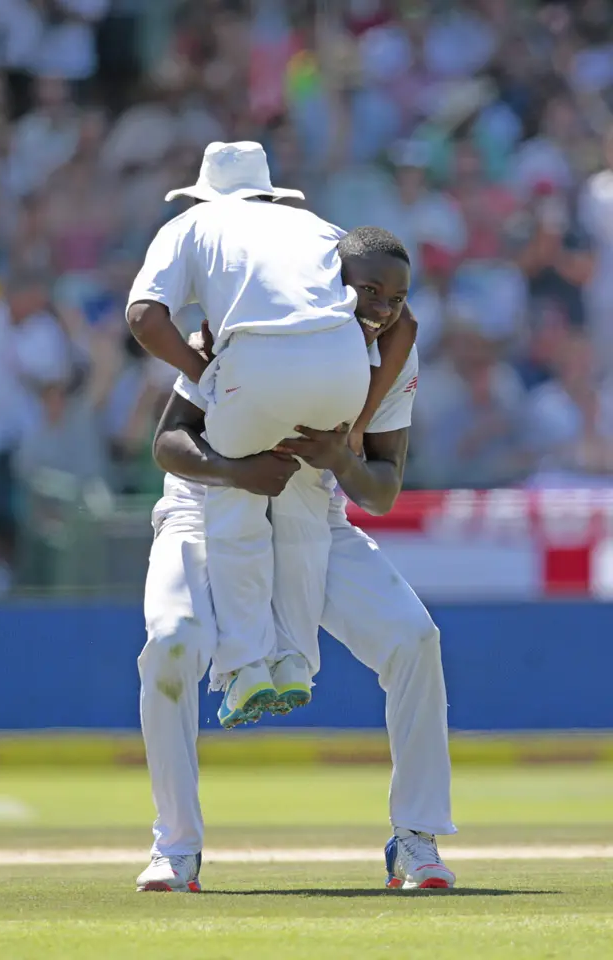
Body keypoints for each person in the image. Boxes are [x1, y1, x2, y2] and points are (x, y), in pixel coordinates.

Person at [135, 231, 456, 894]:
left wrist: (340, 458)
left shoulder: (393, 355)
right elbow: (168, 442)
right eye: (369, 290)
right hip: (207, 506)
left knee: (415, 638)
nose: (383, 308)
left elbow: (384, 489)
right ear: (328, 282)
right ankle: (176, 848)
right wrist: (234, 471)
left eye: (396, 297)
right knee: (170, 646)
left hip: (315, 517)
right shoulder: (251, 325)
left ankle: (417, 842)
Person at [127, 142, 412, 729]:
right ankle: (295, 665)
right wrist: (356, 424)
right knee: (304, 509)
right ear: (272, 191)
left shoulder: (194, 222)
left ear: (205, 193)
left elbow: (143, 317)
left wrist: (200, 370)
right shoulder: (320, 228)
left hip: (256, 366)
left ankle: (244, 667)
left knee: (235, 503)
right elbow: (401, 321)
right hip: (344, 370)